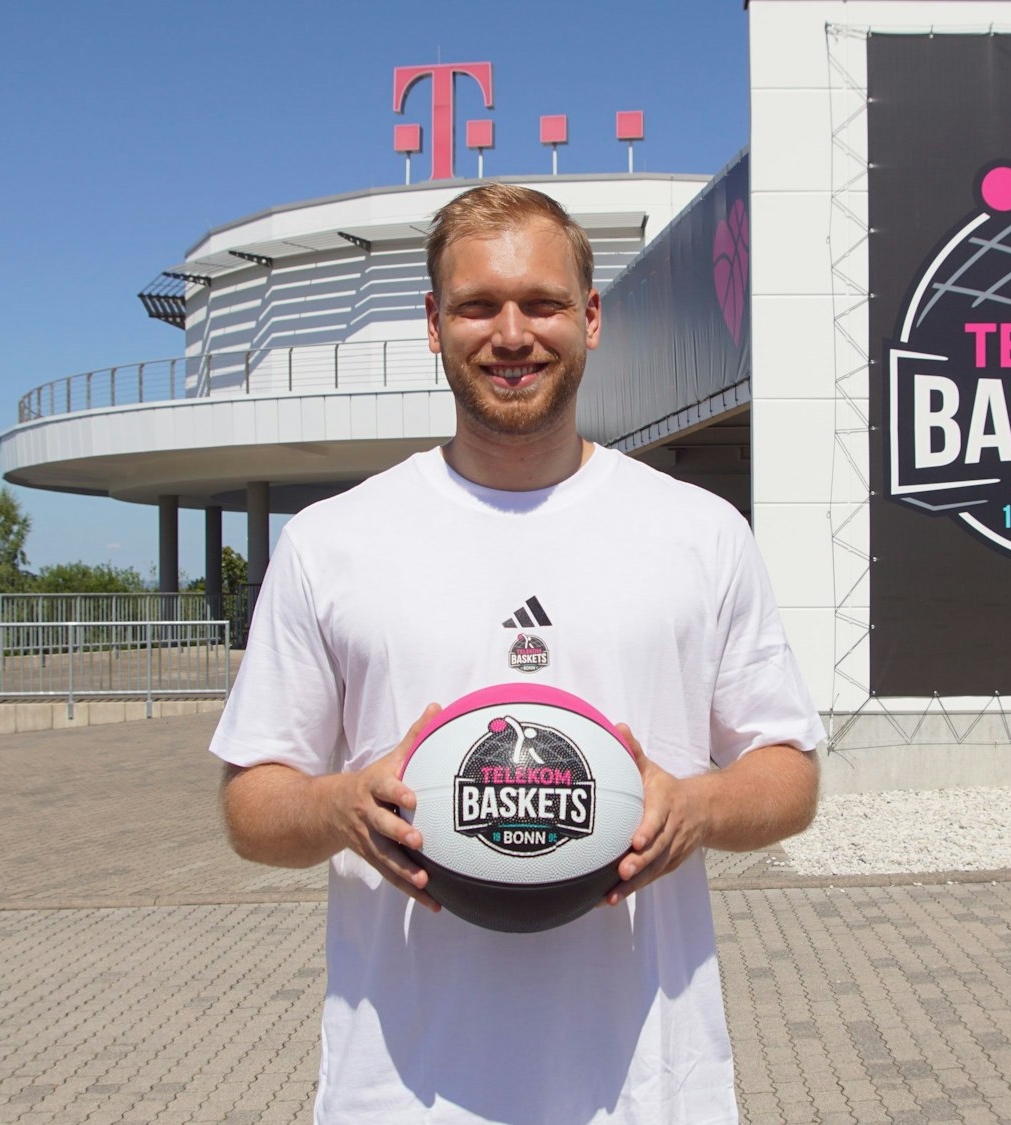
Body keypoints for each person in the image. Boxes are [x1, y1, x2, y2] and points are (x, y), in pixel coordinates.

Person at [212, 182, 824, 1124]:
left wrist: (693, 807)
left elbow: (790, 776)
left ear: (590, 318)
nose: (511, 333)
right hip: (402, 1093)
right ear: (432, 322)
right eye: (476, 305)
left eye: (541, 303)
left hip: (651, 1094)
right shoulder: (334, 541)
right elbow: (252, 804)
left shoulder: (699, 532)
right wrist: (337, 805)